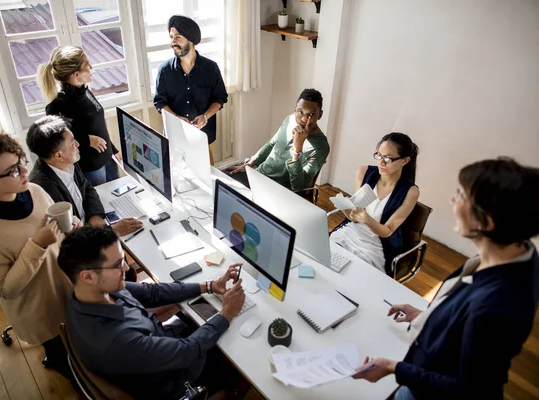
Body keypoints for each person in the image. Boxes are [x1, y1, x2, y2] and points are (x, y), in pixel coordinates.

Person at [353, 157, 539, 400]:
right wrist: (430, 315)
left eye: (461, 195)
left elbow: (470, 390)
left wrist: (393, 368)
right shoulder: (517, 250)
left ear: (487, 221)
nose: (452, 200)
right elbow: (467, 321)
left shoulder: (499, 306)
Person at [58, 226, 246, 399]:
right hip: (177, 378)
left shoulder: (87, 292)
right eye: (117, 264)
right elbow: (187, 351)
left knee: (200, 320)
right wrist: (227, 312)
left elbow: (152, 293)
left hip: (159, 346)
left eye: (123, 259)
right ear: (88, 276)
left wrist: (209, 286)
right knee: (240, 356)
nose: (126, 268)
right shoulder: (117, 341)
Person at [0, 131, 78, 378]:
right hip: (41, 312)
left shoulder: (36, 192)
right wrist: (36, 245)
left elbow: (58, 239)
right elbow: (5, 289)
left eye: (20, 162)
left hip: (69, 291)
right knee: (68, 364)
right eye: (12, 171)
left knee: (82, 347)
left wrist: (69, 228)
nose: (24, 172)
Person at [26, 115, 142, 236]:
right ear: (59, 156)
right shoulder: (44, 189)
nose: (77, 144)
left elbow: (86, 187)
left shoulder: (67, 162)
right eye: (72, 143)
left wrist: (95, 215)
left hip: (89, 228)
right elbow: (69, 237)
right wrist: (111, 232)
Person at [329, 132, 419, 274]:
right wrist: (344, 206)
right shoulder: (364, 172)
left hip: (376, 245)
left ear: (405, 160)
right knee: (324, 258)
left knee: (352, 274)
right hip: (350, 231)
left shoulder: (410, 192)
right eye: (379, 155)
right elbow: (353, 217)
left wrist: (367, 220)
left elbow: (387, 232)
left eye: (388, 159)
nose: (381, 162)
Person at [37, 45, 120, 186]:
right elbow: (58, 140)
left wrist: (113, 150)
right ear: (76, 74)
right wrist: (87, 140)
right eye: (87, 65)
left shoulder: (85, 91)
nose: (91, 67)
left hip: (108, 159)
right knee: (102, 204)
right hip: (91, 167)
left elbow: (98, 125)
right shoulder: (57, 105)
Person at [154, 15, 228, 165]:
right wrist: (176, 118)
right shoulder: (165, 70)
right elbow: (159, 102)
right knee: (175, 181)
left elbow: (220, 98)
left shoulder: (211, 68)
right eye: (171, 37)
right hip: (174, 137)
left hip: (203, 137)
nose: (173, 42)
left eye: (178, 37)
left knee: (207, 179)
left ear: (191, 40)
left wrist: (206, 117)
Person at [226, 88, 330, 191]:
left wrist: (298, 148)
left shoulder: (321, 146)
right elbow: (271, 144)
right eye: (300, 112)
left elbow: (298, 186)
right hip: (259, 175)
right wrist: (251, 163)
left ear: (320, 114)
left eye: (310, 114)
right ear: (295, 110)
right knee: (224, 180)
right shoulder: (289, 120)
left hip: (278, 190)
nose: (304, 119)